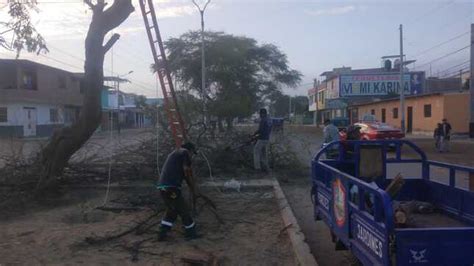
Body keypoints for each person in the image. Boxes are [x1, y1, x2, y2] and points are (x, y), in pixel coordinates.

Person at [157, 142, 199, 241]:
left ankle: (162, 234)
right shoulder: (184, 152)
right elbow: (186, 170)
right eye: (193, 153)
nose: (192, 155)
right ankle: (191, 234)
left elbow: (183, 172)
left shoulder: (174, 154)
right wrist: (192, 186)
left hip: (162, 187)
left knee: (172, 210)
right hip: (172, 188)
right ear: (191, 150)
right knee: (184, 209)